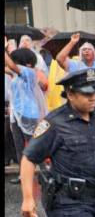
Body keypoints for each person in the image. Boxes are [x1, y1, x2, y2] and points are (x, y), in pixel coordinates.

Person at [20, 68, 95, 217]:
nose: (93, 98)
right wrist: (28, 199)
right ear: (70, 95)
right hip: (68, 203)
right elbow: (28, 158)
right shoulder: (55, 122)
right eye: (87, 94)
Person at [5, 43, 48, 184]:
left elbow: (11, 66)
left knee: (33, 145)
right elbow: (8, 67)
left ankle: (45, 172)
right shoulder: (17, 74)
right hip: (16, 114)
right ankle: (22, 175)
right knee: (19, 146)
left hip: (29, 114)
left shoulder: (28, 72)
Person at [56, 33, 95, 116]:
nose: (86, 51)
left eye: (89, 49)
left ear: (94, 52)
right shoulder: (76, 66)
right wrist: (72, 42)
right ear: (81, 53)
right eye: (84, 49)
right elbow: (60, 59)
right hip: (83, 110)